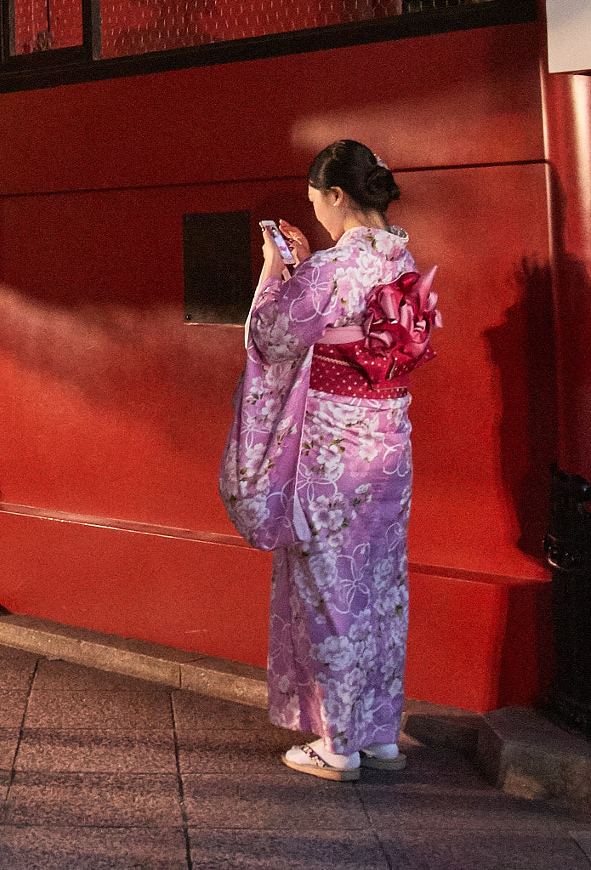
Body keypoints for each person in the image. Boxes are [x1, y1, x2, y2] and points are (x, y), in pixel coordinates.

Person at [221, 141, 434, 782]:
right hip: (390, 444)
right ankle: (378, 733)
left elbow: (270, 335)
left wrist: (276, 268)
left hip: (333, 454)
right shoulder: (402, 261)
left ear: (337, 196)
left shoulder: (335, 269)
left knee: (331, 590)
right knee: (382, 588)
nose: (316, 214)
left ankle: (338, 742)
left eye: (317, 202)